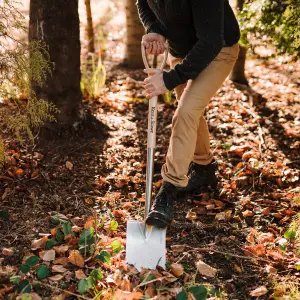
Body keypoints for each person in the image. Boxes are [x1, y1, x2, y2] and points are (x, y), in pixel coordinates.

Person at [136, 0, 240, 228]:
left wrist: (170, 79)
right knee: (191, 112)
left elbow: (211, 41)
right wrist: (154, 29)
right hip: (181, 52)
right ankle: (204, 170)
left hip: (217, 51)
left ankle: (168, 191)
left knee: (185, 112)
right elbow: (143, 3)